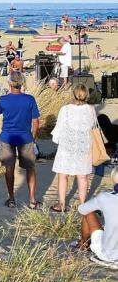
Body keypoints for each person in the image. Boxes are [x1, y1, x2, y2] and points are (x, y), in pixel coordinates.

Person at [50, 84, 98, 212]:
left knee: (63, 175)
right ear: (86, 95)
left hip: (67, 145)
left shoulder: (65, 109)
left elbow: (59, 127)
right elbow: (93, 125)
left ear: (73, 94)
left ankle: (62, 204)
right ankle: (82, 204)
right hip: (84, 145)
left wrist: (57, 140)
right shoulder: (91, 109)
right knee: (82, 177)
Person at [0, 71, 40, 209]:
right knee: (30, 168)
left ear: (10, 83)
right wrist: (33, 137)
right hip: (25, 136)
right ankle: (32, 200)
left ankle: (11, 199)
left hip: (8, 136)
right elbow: (36, 122)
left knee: (9, 168)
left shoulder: (3, 99)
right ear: (22, 83)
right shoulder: (29, 99)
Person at [73, 168, 118, 266]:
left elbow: (82, 209)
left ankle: (84, 243)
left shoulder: (105, 197)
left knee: (89, 211)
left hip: (108, 254)